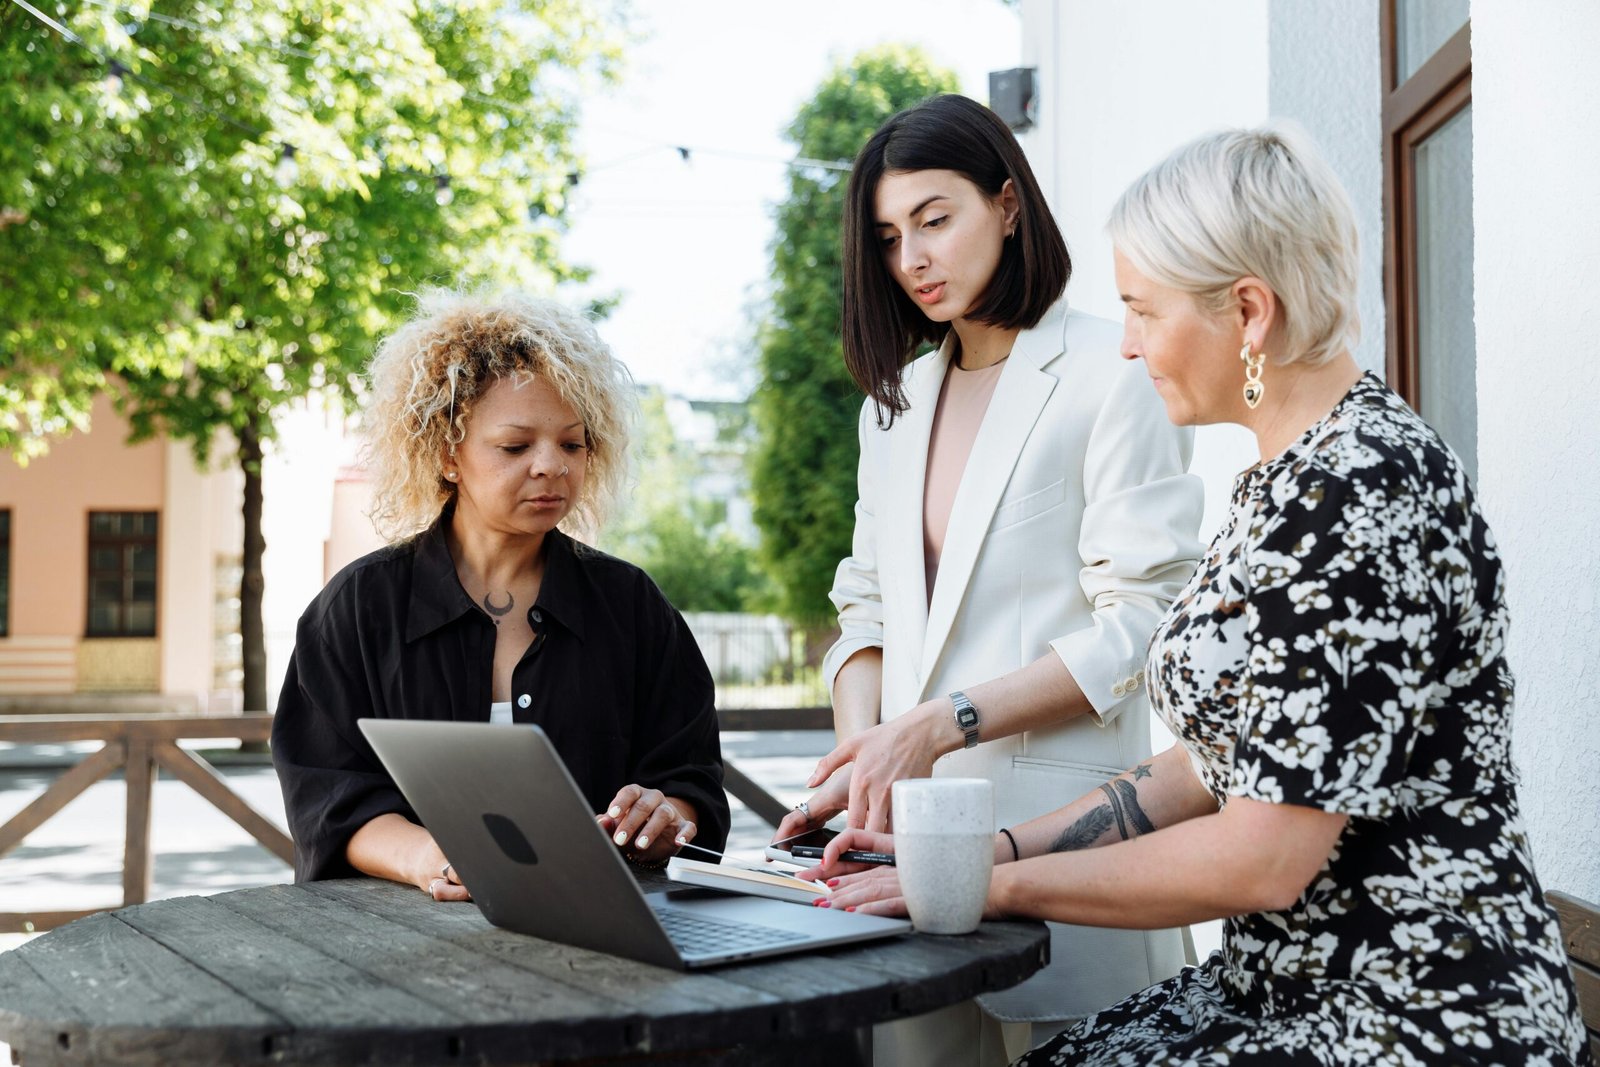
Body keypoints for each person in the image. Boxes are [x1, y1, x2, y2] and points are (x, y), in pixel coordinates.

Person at [806, 125, 1592, 1066]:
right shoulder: (1288, 480)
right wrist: (996, 849)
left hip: (1412, 1004)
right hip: (1292, 985)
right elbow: (1206, 767)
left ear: (1248, 312)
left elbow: (1265, 856)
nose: (1128, 344)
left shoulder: (1358, 492)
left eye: (1144, 310)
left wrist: (990, 886)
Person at [772, 94, 1205, 1063]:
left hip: (1067, 859)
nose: (912, 258)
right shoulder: (892, 405)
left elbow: (1145, 621)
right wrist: (865, 757)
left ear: (1007, 204)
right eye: (889, 237)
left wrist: (939, 723)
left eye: (935, 219)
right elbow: (865, 608)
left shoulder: (1112, 367)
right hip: (897, 868)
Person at [271, 290, 730, 901]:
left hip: (600, 929)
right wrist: (428, 857)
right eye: (516, 446)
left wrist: (665, 816)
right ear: (447, 454)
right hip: (391, 935)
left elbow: (692, 783)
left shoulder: (633, 606)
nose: (552, 466)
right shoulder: (357, 609)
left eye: (573, 444)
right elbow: (326, 796)